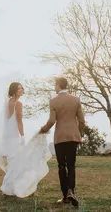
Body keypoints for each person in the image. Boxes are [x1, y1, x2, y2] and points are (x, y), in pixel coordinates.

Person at [0, 82, 51, 198]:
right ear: (14, 91)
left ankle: (9, 188)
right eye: (19, 88)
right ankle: (9, 188)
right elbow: (19, 121)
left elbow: (7, 121)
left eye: (22, 88)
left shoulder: (7, 103)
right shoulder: (18, 104)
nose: (22, 89)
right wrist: (23, 136)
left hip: (7, 138)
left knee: (13, 163)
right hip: (14, 138)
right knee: (16, 163)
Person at [39, 76, 86, 207]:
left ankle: (65, 196)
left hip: (60, 137)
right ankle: (71, 191)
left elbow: (52, 121)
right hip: (73, 136)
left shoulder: (53, 101)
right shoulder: (76, 100)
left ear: (59, 85)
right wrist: (79, 132)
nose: (54, 87)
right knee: (71, 165)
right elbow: (82, 121)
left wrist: (43, 129)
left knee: (61, 166)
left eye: (55, 85)